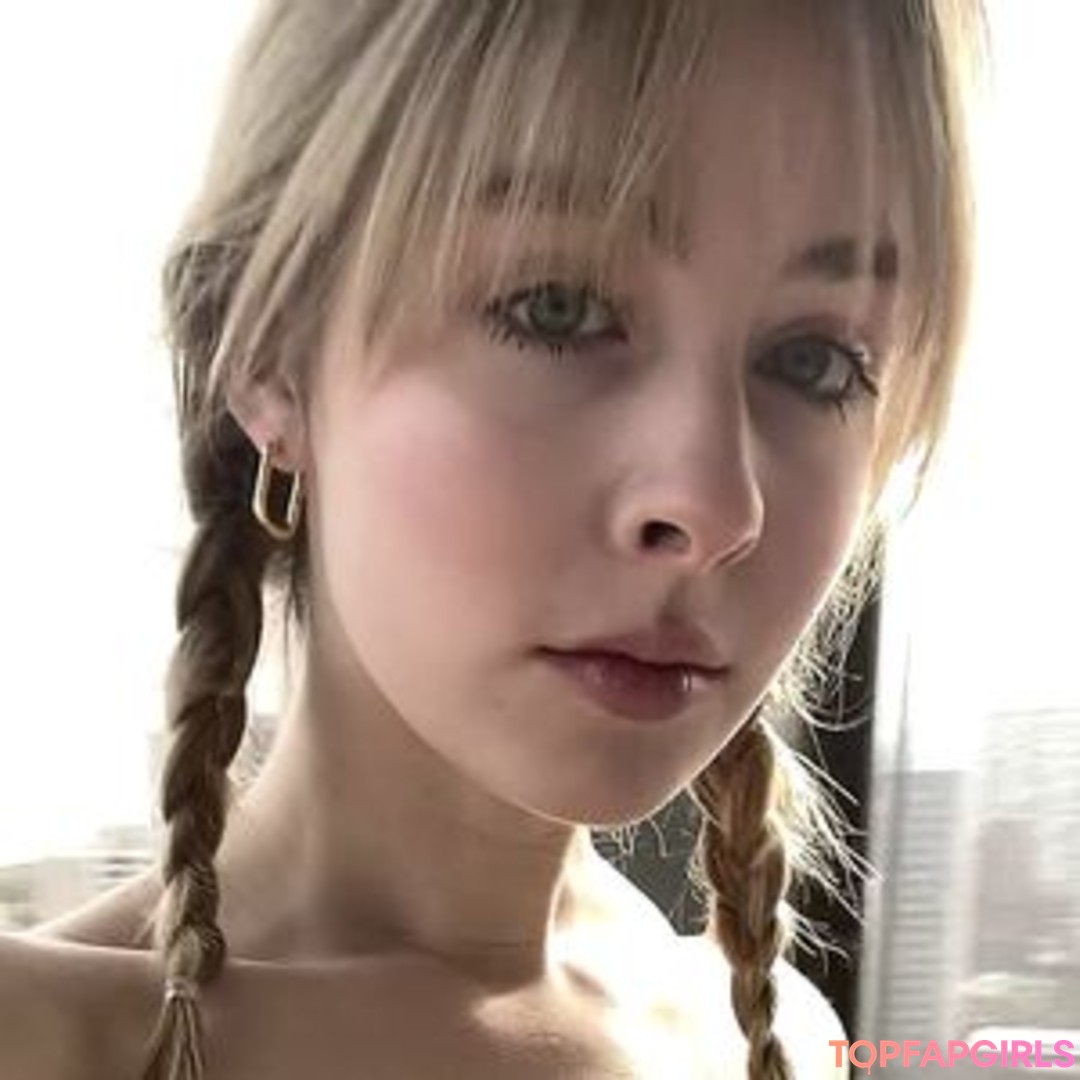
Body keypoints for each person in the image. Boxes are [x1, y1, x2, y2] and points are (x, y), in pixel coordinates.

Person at [0, 0, 984, 1076]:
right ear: (269, 354)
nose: (716, 506)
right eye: (556, 308)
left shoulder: (785, 1034)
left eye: (817, 361)